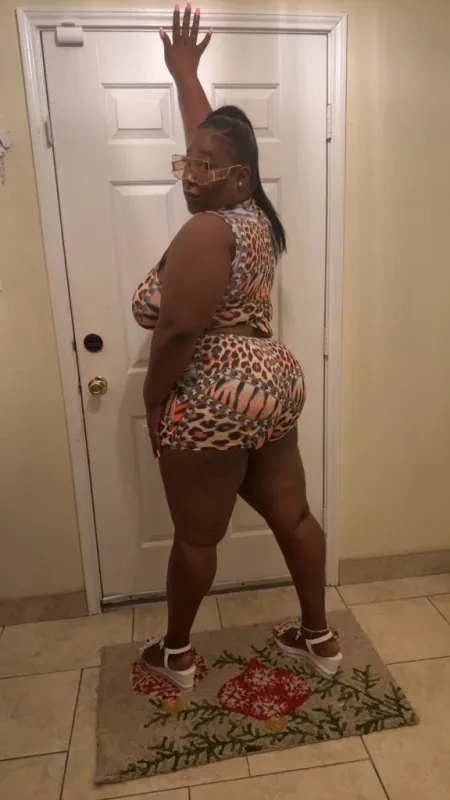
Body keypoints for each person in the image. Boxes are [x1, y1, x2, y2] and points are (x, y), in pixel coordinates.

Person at [132, 4, 342, 691]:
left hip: (214, 389)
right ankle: (319, 638)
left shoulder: (205, 230)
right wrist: (185, 76)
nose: (191, 175)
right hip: (271, 382)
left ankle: (177, 655)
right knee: (294, 514)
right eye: (186, 163)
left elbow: (178, 331)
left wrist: (154, 399)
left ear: (239, 176)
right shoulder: (250, 217)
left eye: (205, 167)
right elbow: (218, 144)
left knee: (197, 536)